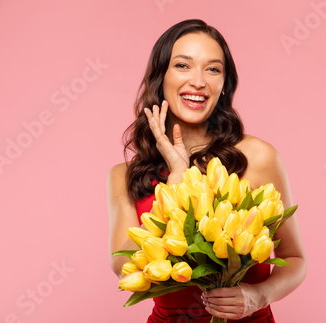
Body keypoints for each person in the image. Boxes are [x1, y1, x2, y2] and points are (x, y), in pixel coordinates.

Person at [107, 19, 307, 322]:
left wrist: (258, 296)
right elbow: (123, 266)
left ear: (224, 84)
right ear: (160, 77)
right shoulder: (124, 176)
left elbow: (295, 259)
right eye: (183, 66)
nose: (198, 81)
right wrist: (176, 179)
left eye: (213, 69)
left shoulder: (257, 157)